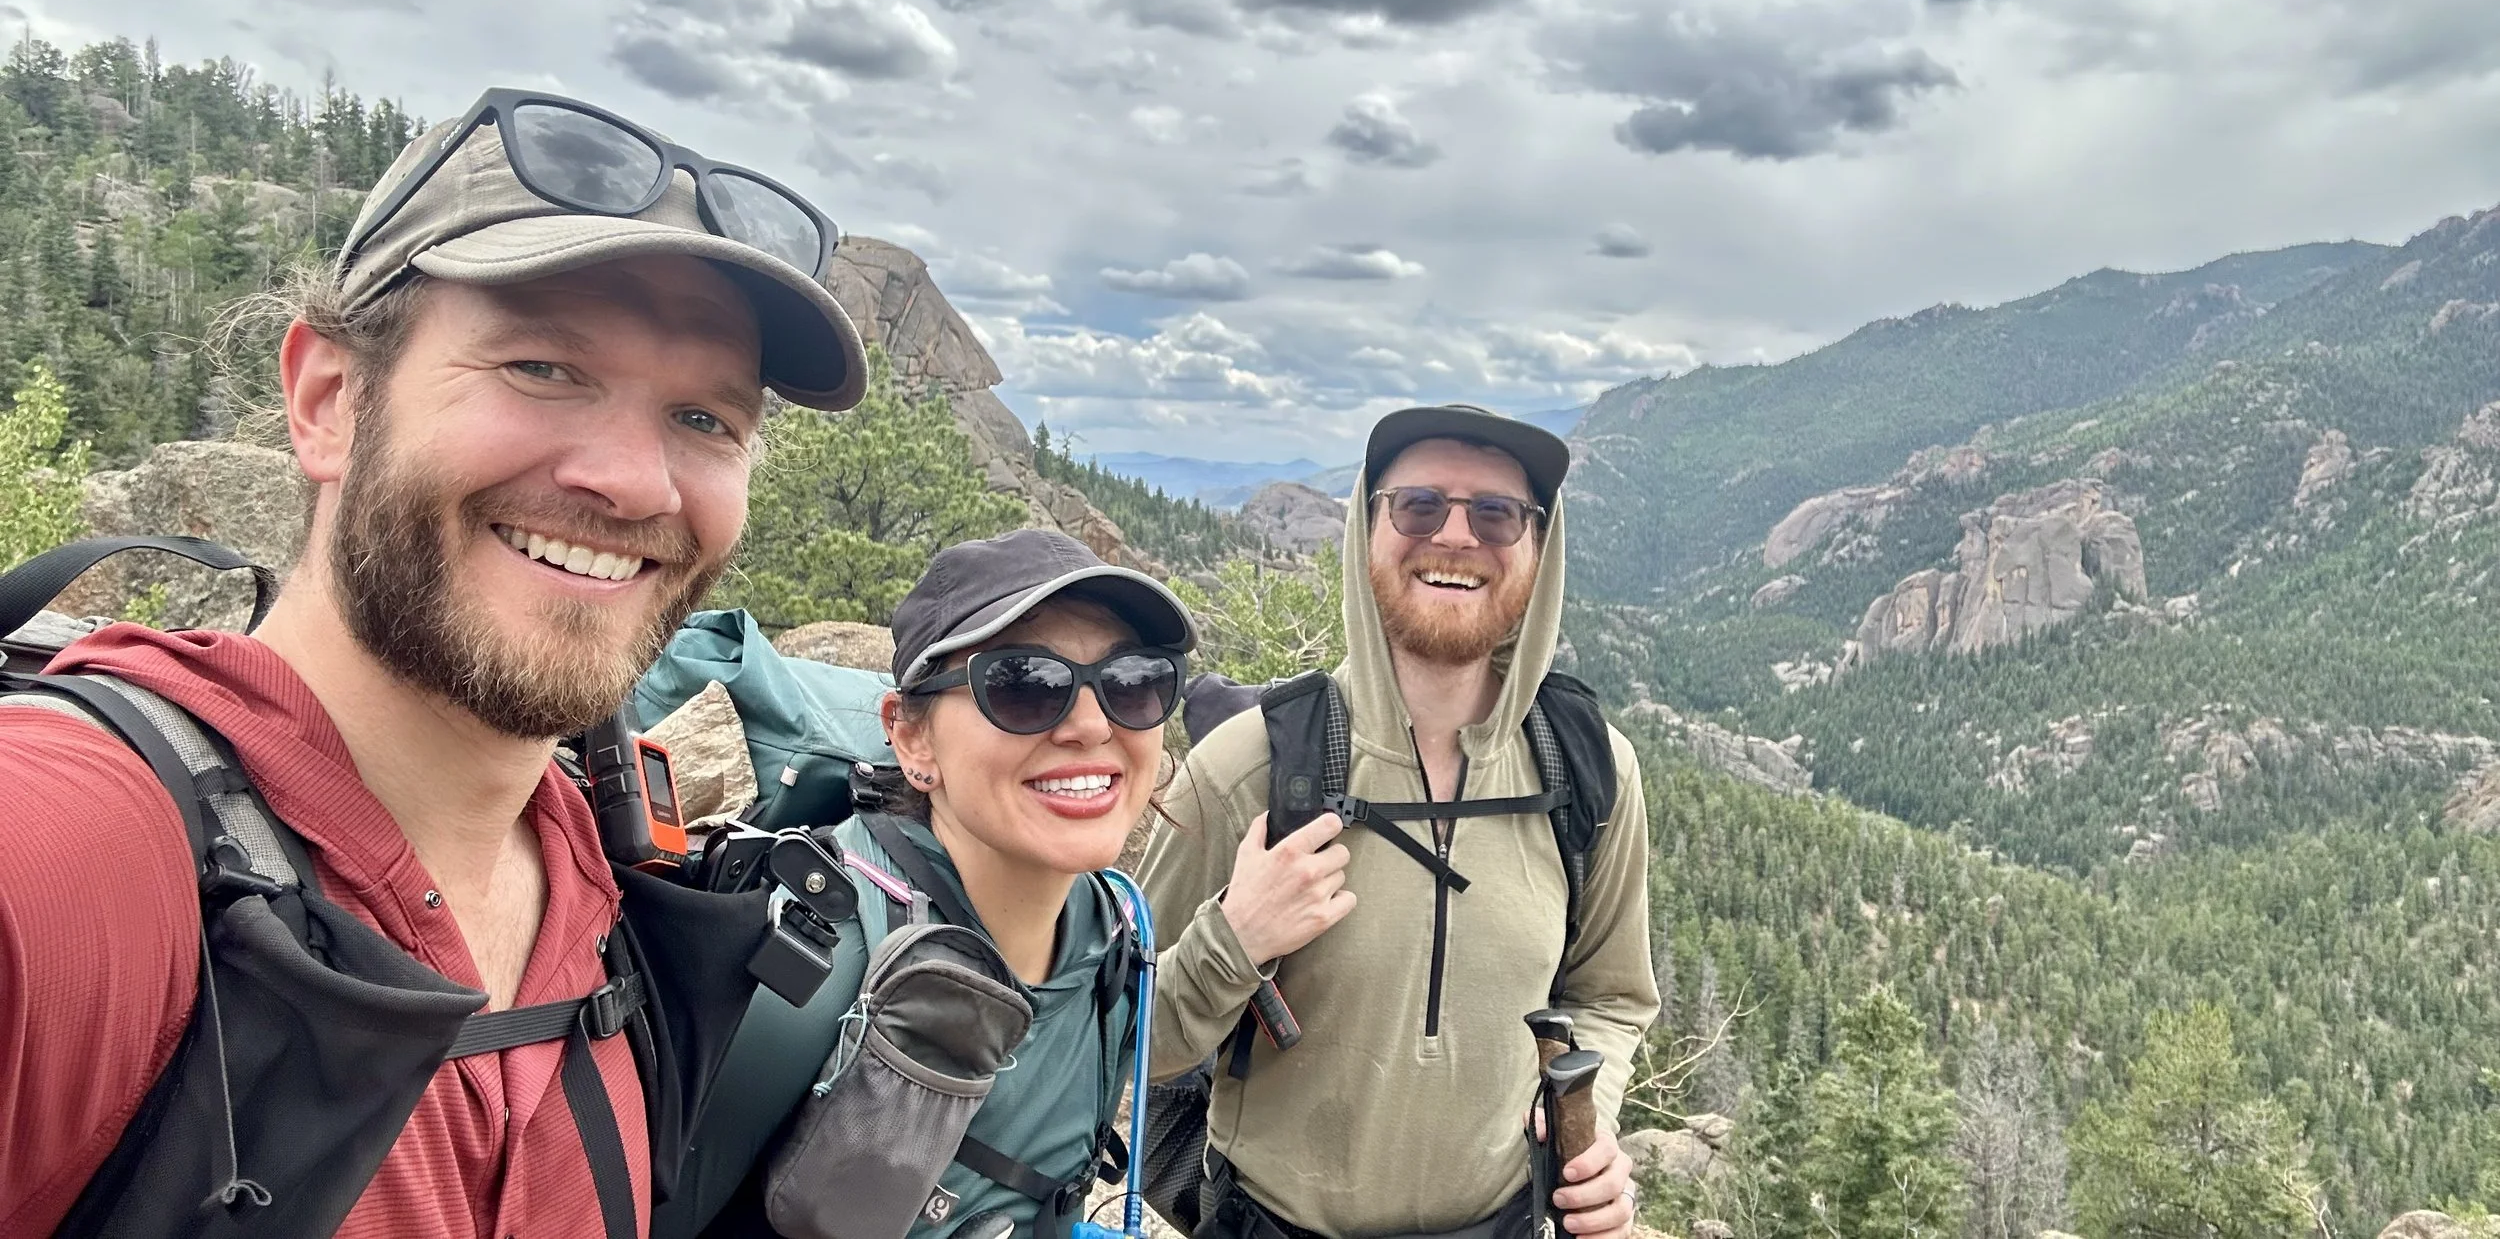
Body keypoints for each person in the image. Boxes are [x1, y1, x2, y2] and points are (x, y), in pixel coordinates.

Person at [0, 88, 866, 1237]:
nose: (637, 481)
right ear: (329, 401)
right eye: (543, 367)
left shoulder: (605, 895)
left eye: (706, 419)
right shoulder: (76, 859)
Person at [1140, 404, 1659, 1239]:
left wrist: (1586, 1120)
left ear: (1538, 547)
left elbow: (1612, 997)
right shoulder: (1248, 768)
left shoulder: (1592, 769)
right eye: (1418, 506)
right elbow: (1123, 1038)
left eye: (1496, 513)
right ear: (1367, 530)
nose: (1456, 537)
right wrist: (1232, 942)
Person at [659, 528, 1195, 1239]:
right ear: (911, 739)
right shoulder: (813, 969)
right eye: (1024, 685)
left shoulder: (1109, 941)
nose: (1093, 725)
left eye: (1134, 681)